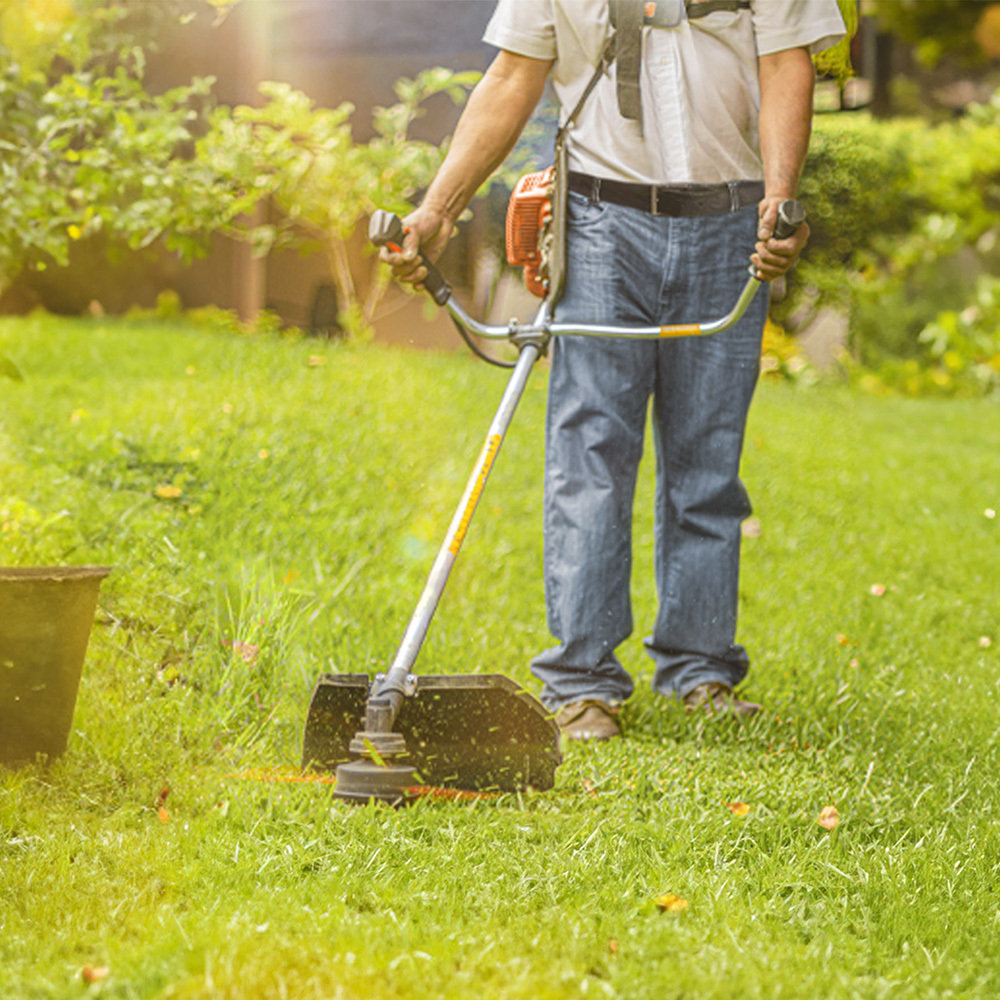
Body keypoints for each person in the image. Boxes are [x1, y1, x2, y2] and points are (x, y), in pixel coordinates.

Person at [382, 0, 846, 741]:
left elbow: (785, 61)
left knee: (708, 457)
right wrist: (439, 209)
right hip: (600, 224)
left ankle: (700, 669)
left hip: (730, 222)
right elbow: (511, 76)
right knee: (590, 448)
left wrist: (779, 202)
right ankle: (583, 683)